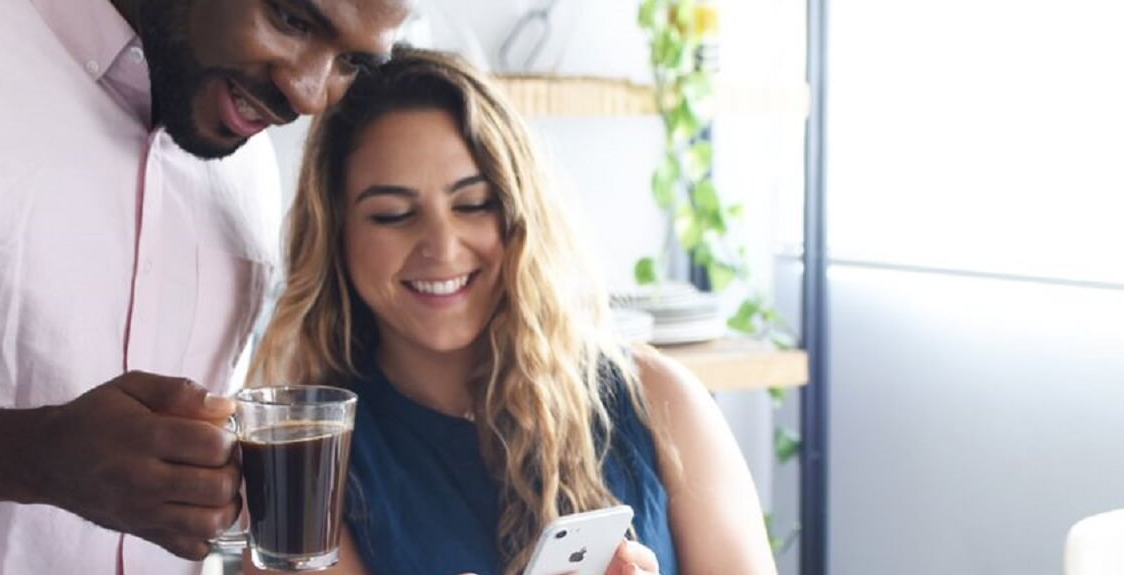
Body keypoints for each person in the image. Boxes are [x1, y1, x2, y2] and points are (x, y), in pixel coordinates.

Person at [0, 0, 407, 570]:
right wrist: (26, 456)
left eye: (353, 62)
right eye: (290, 17)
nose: (310, 93)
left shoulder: (247, 172)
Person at [245, 46, 778, 575]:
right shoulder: (309, 458)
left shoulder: (660, 402)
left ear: (520, 215)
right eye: (393, 214)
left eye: (474, 204)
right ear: (336, 235)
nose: (442, 246)